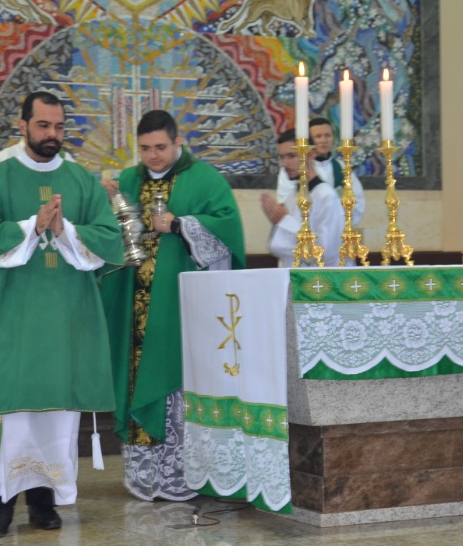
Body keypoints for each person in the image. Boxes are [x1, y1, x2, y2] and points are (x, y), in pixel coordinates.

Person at [0, 91, 124, 539]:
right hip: (14, 316)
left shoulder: (82, 181)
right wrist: (31, 226)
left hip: (67, 318)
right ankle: (0, 505)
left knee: (56, 416)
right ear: (23, 125)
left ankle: (44, 502)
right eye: (44, 126)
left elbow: (109, 239)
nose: (52, 135)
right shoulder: (0, 178)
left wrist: (64, 228)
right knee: (8, 414)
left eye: (59, 127)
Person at [100, 110, 245, 501]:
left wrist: (180, 225)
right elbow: (107, 232)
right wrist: (107, 204)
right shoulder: (128, 181)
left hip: (181, 311)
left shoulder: (204, 180)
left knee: (177, 387)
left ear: (177, 142)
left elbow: (228, 232)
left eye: (160, 147)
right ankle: (147, 477)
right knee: (137, 379)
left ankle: (184, 475)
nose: (152, 156)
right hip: (136, 307)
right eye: (145, 148)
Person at [262, 129, 345, 267]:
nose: (284, 164)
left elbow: (327, 252)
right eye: (282, 157)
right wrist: (278, 221)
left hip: (319, 282)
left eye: (291, 156)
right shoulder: (292, 195)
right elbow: (279, 248)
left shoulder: (326, 195)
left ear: (311, 154)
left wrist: (284, 221)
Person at [275, 117, 365, 226]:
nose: (323, 140)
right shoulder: (292, 169)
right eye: (318, 136)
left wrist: (336, 217)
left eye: (327, 135)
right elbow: (287, 203)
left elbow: (357, 201)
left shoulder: (341, 168)